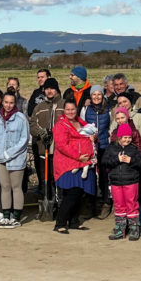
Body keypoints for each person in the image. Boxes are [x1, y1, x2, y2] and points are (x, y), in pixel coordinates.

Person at [52, 100, 97, 234]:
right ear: (64, 110)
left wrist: (94, 138)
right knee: (72, 192)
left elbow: (90, 136)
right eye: (68, 109)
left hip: (83, 161)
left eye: (73, 109)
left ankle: (73, 221)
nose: (70, 112)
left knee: (80, 193)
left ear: (76, 110)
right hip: (67, 162)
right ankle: (60, 222)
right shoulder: (60, 125)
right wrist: (77, 156)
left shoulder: (82, 123)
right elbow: (62, 145)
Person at [0, 92, 30, 228]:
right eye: (6, 102)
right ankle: (6, 216)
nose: (8, 105)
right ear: (2, 102)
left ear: (15, 103)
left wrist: (9, 153)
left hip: (16, 159)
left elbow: (24, 139)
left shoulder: (21, 118)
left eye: (11, 102)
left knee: (16, 187)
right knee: (5, 187)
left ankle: (16, 217)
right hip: (0, 159)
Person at [102, 122, 141, 240]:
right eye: (125, 137)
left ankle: (134, 229)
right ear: (119, 137)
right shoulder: (111, 147)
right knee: (119, 205)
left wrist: (131, 161)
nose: (127, 140)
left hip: (131, 181)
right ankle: (120, 229)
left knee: (132, 205)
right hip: (116, 182)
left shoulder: (134, 149)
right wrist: (117, 159)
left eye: (129, 137)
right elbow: (104, 161)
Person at [30, 77, 64, 217]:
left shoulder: (63, 105)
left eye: (52, 88)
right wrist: (41, 133)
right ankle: (48, 204)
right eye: (47, 89)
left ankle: (61, 206)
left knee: (59, 180)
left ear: (57, 89)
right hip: (43, 150)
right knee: (46, 179)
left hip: (60, 151)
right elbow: (32, 125)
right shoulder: (39, 107)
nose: (49, 91)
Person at [81, 86, 112, 216]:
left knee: (104, 176)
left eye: (99, 94)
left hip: (104, 146)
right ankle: (91, 204)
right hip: (91, 147)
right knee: (91, 175)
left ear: (103, 96)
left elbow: (111, 126)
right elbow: (82, 127)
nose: (96, 97)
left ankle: (106, 202)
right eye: (94, 94)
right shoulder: (85, 109)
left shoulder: (108, 110)